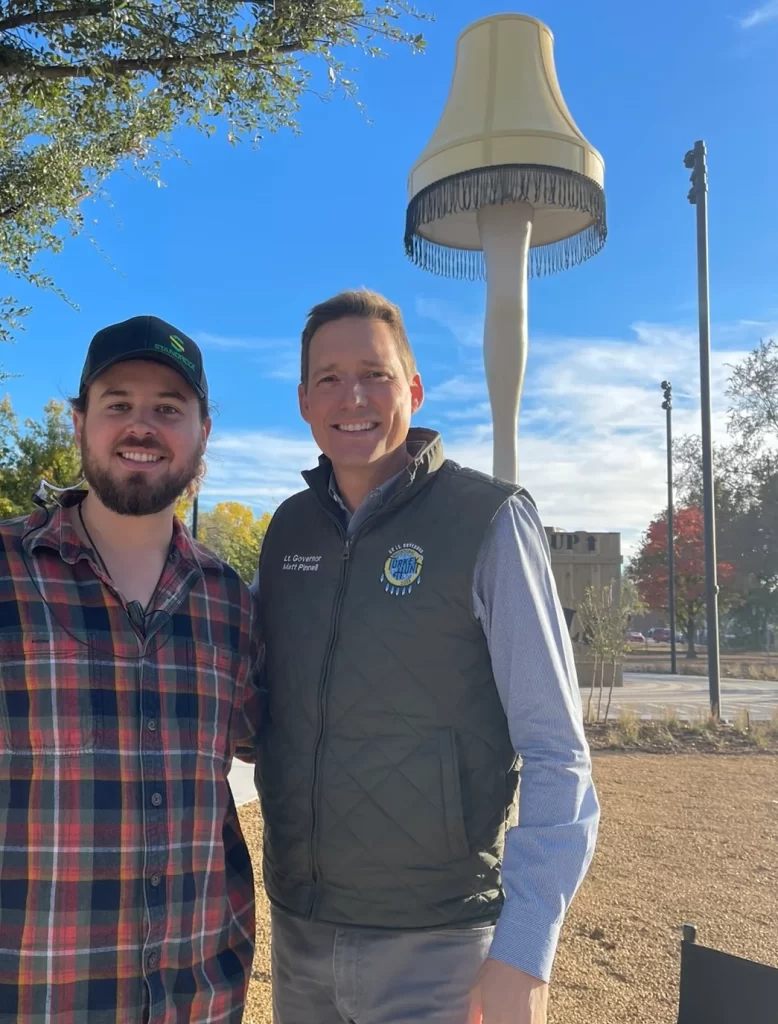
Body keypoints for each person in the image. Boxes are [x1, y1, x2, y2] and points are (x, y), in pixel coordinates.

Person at [252, 289, 600, 1024]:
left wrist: (525, 950)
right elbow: (263, 712)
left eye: (375, 374)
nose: (353, 396)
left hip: (438, 944)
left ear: (412, 389)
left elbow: (556, 749)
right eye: (328, 378)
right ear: (304, 403)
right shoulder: (288, 531)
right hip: (300, 932)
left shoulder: (489, 520)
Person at [0, 316, 259, 1024]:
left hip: (199, 1001)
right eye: (118, 404)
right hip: (36, 999)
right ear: (80, 423)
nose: (140, 426)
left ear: (203, 433)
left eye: (168, 409)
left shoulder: (230, 603)